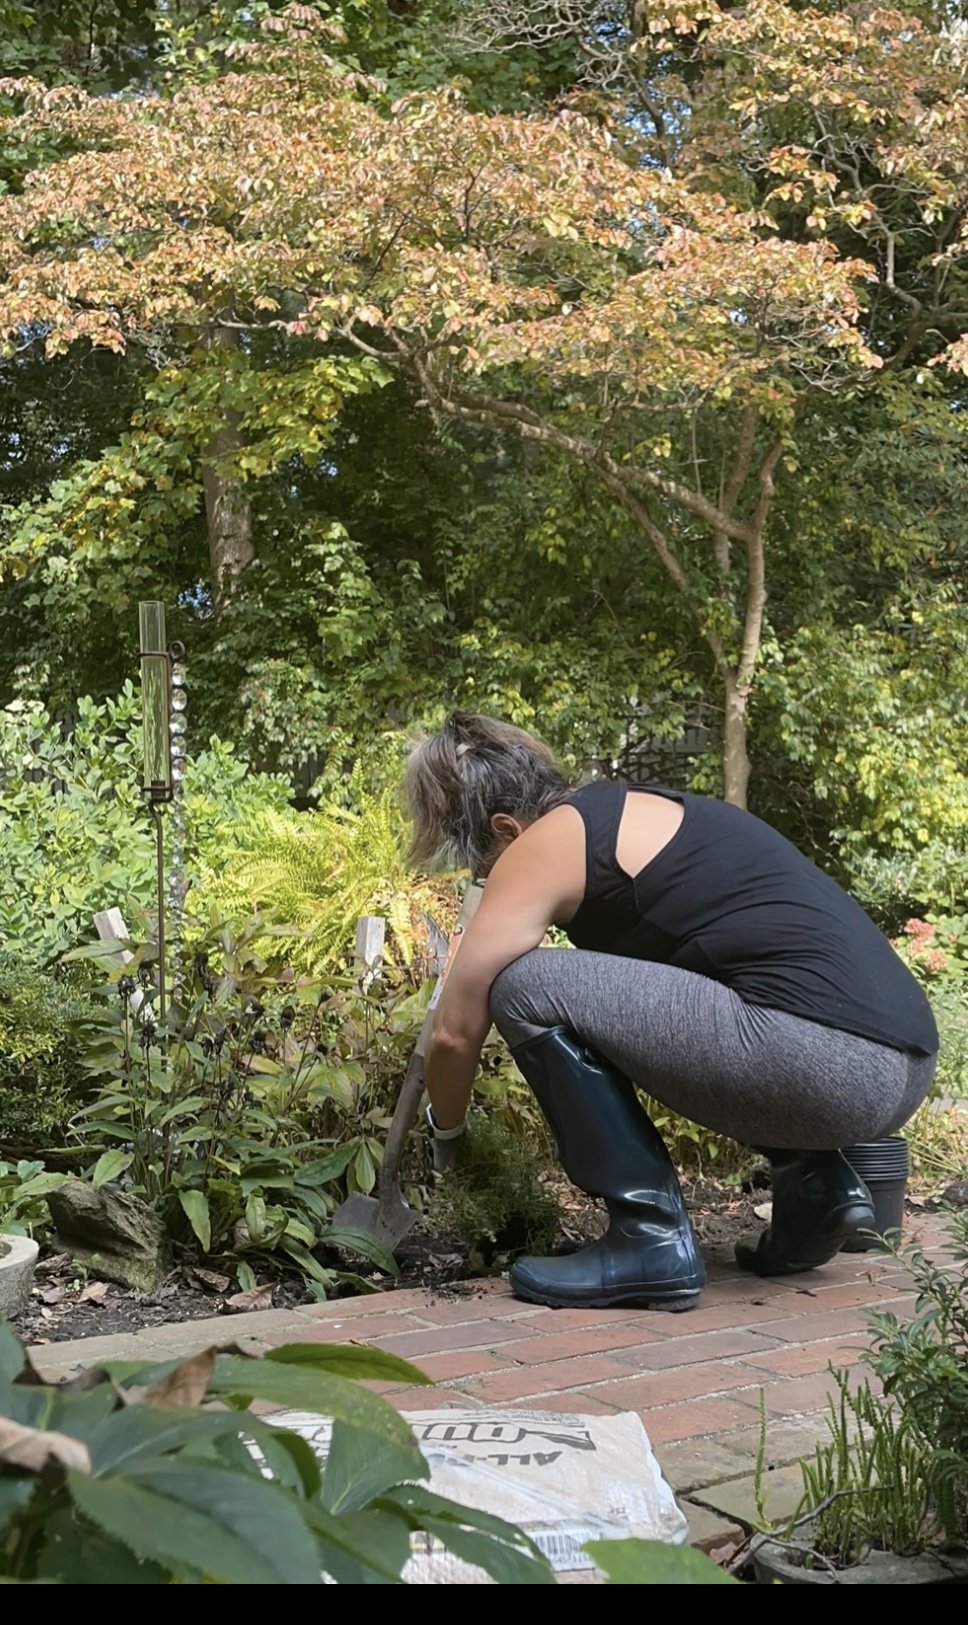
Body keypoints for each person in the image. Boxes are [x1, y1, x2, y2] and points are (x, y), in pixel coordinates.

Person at [405, 711, 938, 1313]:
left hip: (826, 1066)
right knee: (688, 992)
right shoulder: (641, 815)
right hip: (901, 1070)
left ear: (506, 827)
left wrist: (448, 1137)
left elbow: (453, 1030)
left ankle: (649, 1240)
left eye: (482, 866)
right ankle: (817, 1188)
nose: (485, 881)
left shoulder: (544, 840)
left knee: (524, 983)